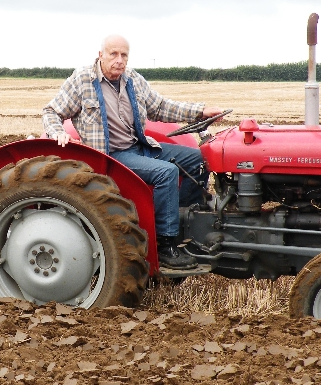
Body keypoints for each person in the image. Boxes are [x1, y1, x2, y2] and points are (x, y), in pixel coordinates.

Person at [42, 34, 223, 270]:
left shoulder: (132, 79)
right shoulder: (82, 80)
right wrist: (57, 132)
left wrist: (201, 112)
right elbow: (51, 111)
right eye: (113, 54)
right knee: (166, 173)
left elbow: (160, 107)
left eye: (124, 55)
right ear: (101, 55)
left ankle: (186, 225)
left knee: (199, 159)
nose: (119, 60)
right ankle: (165, 244)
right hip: (111, 156)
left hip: (139, 147)